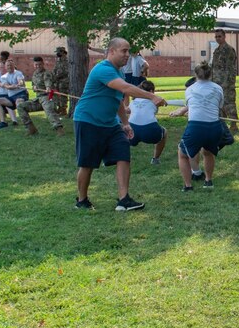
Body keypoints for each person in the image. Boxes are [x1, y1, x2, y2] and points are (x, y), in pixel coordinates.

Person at [73, 37, 167, 211]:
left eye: (128, 51)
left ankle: (124, 200)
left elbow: (117, 101)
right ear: (111, 51)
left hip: (111, 123)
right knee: (87, 163)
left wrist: (125, 123)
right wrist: (152, 96)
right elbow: (125, 89)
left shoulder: (119, 72)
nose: (127, 55)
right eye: (123, 51)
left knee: (123, 152)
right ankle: (82, 200)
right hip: (88, 120)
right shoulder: (103, 69)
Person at [177, 63, 225, 190]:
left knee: (183, 154)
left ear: (195, 74)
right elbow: (219, 106)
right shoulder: (218, 88)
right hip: (214, 127)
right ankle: (208, 181)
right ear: (211, 74)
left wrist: (182, 111)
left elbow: (192, 105)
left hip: (196, 127)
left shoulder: (189, 89)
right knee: (208, 153)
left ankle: (188, 186)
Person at [17, 56, 64, 135]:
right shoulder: (35, 74)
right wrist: (34, 87)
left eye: (39, 64)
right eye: (36, 65)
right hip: (38, 99)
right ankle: (31, 129)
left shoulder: (47, 73)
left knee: (49, 108)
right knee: (21, 106)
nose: (38, 66)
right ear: (34, 65)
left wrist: (48, 87)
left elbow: (47, 81)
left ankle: (59, 129)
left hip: (47, 97)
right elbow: (34, 85)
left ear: (43, 64)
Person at [128, 80, 168, 164]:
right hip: (150, 130)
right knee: (164, 132)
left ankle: (120, 157)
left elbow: (127, 110)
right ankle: (155, 159)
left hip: (132, 131)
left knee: (123, 138)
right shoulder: (156, 100)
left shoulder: (133, 102)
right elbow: (163, 102)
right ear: (151, 91)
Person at [211, 29, 238, 132]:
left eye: (219, 36)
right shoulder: (217, 50)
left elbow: (230, 68)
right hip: (216, 82)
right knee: (219, 103)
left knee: (229, 103)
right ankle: (223, 124)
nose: (218, 38)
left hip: (226, 82)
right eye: (216, 37)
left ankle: (233, 124)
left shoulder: (229, 50)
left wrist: (228, 82)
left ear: (224, 37)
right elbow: (214, 67)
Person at [0, 60, 27, 129]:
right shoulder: (4, 77)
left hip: (21, 94)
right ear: (5, 67)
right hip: (11, 97)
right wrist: (12, 86)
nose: (9, 67)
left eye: (11, 65)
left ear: (14, 66)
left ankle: (26, 122)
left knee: (18, 102)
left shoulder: (18, 73)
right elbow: (7, 86)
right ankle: (3, 122)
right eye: (8, 65)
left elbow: (21, 82)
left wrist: (19, 84)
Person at [52, 46, 70, 116]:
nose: (57, 54)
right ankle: (59, 107)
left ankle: (63, 109)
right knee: (57, 95)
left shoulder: (67, 61)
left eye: (58, 52)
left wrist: (58, 75)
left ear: (63, 52)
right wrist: (53, 75)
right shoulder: (58, 61)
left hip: (64, 81)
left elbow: (66, 71)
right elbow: (55, 69)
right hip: (57, 81)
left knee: (63, 95)